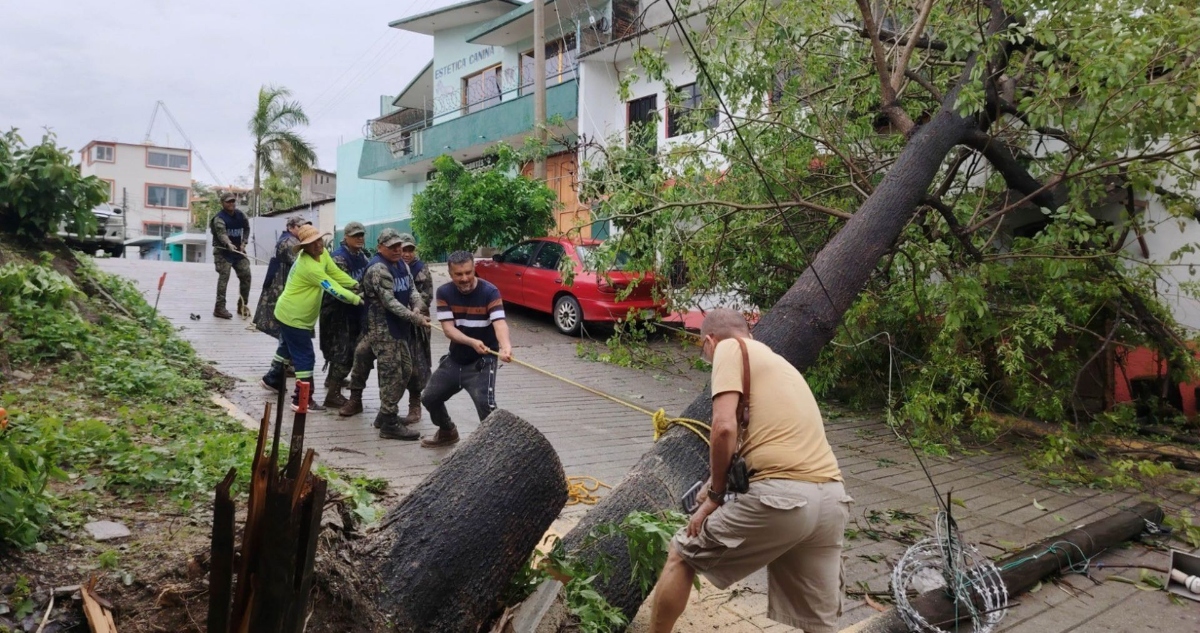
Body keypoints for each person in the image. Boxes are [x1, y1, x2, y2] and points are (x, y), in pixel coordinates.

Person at [649, 309, 850, 633]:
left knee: (681, 555)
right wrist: (721, 479)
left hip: (785, 500)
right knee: (818, 623)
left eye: (705, 351)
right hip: (832, 502)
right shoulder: (780, 366)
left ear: (710, 341)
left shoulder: (729, 349)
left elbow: (723, 427)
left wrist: (714, 496)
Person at [260, 225, 362, 411]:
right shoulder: (308, 266)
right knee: (305, 358)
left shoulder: (323, 254)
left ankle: (272, 379)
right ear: (304, 247)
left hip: (289, 313)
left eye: (319, 240)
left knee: (286, 347)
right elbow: (332, 287)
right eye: (311, 243)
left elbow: (335, 273)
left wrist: (355, 284)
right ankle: (302, 399)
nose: (317, 244)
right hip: (294, 317)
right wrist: (357, 299)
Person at [420, 251, 512, 448]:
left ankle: (496, 450)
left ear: (474, 269)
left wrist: (505, 347)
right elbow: (448, 329)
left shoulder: (490, 292)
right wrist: (471, 342)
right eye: (458, 274)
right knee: (429, 398)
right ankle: (447, 431)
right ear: (450, 273)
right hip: (456, 358)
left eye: (468, 273)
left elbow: (500, 323)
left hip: (483, 361)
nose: (464, 278)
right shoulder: (444, 293)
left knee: (486, 407)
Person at [360, 229, 430, 438]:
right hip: (382, 330)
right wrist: (414, 317)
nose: (398, 250)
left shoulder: (403, 265)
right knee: (390, 373)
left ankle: (384, 413)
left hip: (400, 328)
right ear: (380, 247)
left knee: (406, 371)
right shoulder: (378, 269)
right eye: (392, 247)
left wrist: (417, 305)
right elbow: (389, 302)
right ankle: (389, 423)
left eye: (399, 245)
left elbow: (412, 291)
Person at [320, 222, 370, 409]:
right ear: (345, 237)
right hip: (337, 312)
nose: (360, 238)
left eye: (362, 235)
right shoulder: (339, 258)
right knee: (345, 352)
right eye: (355, 235)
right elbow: (345, 286)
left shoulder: (362, 256)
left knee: (344, 349)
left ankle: (332, 380)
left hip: (352, 310)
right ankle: (332, 395)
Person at [252, 215, 310, 338]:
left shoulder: (292, 240)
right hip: (280, 284)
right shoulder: (289, 242)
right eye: (300, 227)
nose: (303, 230)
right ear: (290, 228)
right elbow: (302, 263)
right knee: (282, 321)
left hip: (281, 281)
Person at [398, 233, 432, 424]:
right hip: (395, 324)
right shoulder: (391, 267)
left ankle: (415, 403)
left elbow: (427, 296)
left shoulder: (421, 269)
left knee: (417, 368)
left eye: (410, 250)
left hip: (417, 326)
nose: (407, 254)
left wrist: (414, 310)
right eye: (403, 250)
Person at [210, 192, 252, 320]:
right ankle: (219, 308)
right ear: (222, 203)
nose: (231, 204)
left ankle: (242, 306)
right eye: (228, 201)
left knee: (246, 276)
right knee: (224, 278)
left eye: (233, 201)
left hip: (238, 252)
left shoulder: (241, 215)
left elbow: (247, 228)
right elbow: (222, 234)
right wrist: (228, 244)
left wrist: (244, 242)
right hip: (223, 252)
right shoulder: (219, 218)